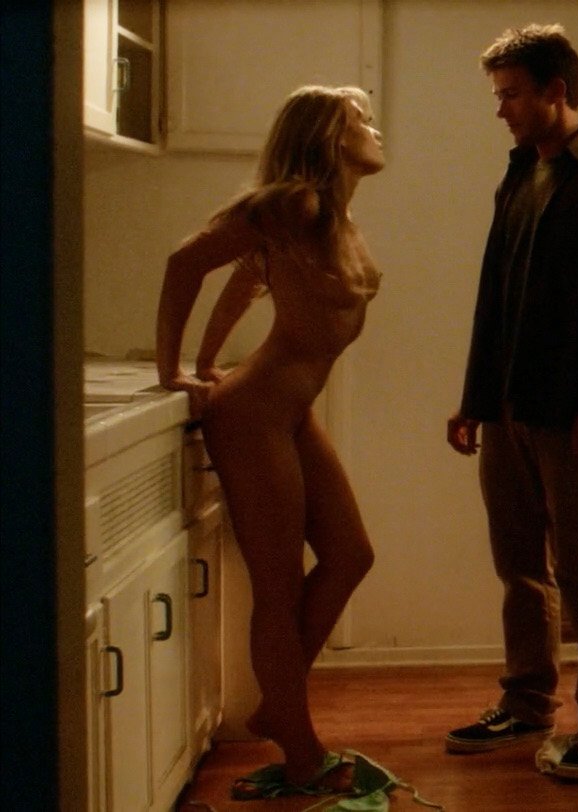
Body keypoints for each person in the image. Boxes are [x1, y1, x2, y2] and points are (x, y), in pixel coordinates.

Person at [442, 23, 578, 782]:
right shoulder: (519, 175)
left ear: (555, 90)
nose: (499, 109)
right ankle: (528, 702)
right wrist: (475, 398)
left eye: (510, 94)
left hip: (575, 414)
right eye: (498, 94)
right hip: (509, 407)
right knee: (519, 566)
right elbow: (494, 297)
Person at [156, 85, 385, 795]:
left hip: (289, 410)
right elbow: (186, 261)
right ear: (329, 134)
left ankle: (275, 703)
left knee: (350, 555)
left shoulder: (333, 217)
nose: (375, 128)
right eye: (361, 119)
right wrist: (172, 373)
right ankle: (301, 751)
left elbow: (245, 280)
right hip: (253, 415)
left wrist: (207, 360)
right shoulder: (297, 204)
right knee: (279, 587)